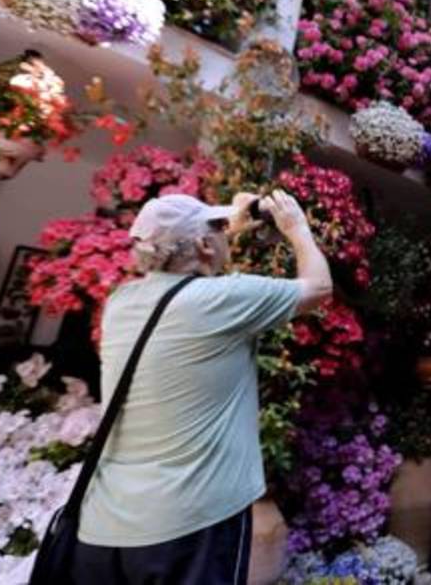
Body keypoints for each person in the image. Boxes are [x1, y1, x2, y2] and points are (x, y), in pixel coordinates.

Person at [73, 191, 331, 584]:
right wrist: (297, 229)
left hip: (104, 527)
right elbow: (318, 288)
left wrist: (222, 230)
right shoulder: (220, 301)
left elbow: (195, 293)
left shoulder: (121, 303)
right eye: (216, 230)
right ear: (205, 245)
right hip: (189, 525)